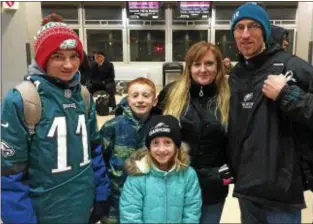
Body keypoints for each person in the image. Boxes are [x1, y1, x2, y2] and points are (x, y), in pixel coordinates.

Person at [227, 2, 313, 223]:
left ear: (266, 31)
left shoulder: (292, 67)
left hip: (281, 192)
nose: (246, 34)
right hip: (246, 190)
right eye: (239, 28)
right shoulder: (237, 74)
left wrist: (288, 95)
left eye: (253, 26)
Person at [1, 21, 110, 224]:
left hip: (83, 206)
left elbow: (94, 150)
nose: (68, 65)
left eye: (74, 56)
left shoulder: (83, 96)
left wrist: (101, 193)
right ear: (43, 59)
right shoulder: (21, 99)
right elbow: (9, 173)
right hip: (44, 212)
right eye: (57, 57)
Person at [157, 41, 231, 223]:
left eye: (209, 64)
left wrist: (227, 174)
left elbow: (240, 140)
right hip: (176, 181)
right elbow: (152, 131)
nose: (203, 70)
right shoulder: (171, 93)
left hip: (213, 186)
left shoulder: (229, 97)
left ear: (219, 67)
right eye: (197, 64)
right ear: (189, 68)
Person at [120, 115, 202, 223]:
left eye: (167, 142)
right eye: (155, 143)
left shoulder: (188, 175)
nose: (162, 149)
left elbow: (192, 210)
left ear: (176, 146)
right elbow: (130, 215)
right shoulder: (137, 176)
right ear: (149, 147)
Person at [100, 77, 158, 223]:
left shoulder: (159, 127)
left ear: (154, 101)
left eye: (146, 96)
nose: (140, 100)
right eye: (135, 95)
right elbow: (100, 160)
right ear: (128, 98)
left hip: (147, 200)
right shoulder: (112, 126)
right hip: (115, 200)